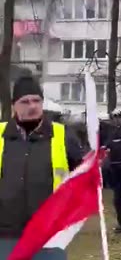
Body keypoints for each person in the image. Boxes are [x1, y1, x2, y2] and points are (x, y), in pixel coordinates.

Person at [0, 77, 84, 259]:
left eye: (36, 100)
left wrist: (98, 164)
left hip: (50, 235)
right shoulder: (1, 135)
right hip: (6, 235)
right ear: (14, 105)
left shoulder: (63, 135)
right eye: (25, 101)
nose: (32, 106)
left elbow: (85, 170)